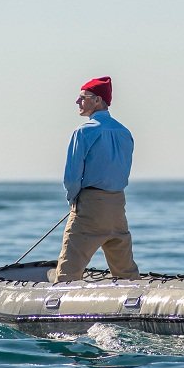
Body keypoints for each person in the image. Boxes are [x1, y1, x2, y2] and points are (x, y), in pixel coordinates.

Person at [52, 76, 140, 282]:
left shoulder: (83, 132)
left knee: (68, 271)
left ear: (98, 100)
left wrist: (73, 201)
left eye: (83, 97)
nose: (77, 102)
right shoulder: (124, 132)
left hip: (90, 206)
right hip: (118, 204)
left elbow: (72, 177)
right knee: (125, 270)